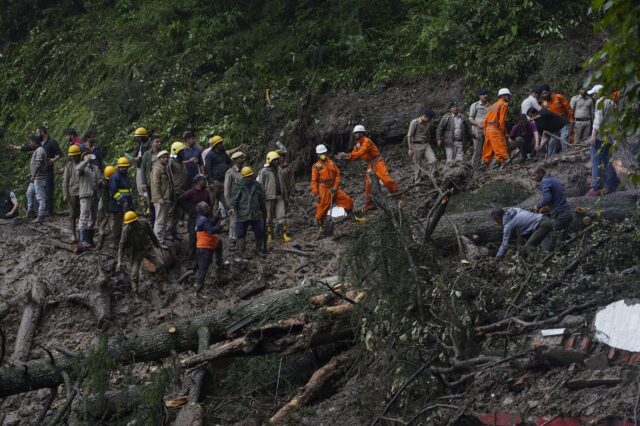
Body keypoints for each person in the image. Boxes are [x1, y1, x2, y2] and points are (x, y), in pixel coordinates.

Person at [337, 125, 398, 211]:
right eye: (354, 133)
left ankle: (398, 197)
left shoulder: (367, 141)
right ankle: (369, 205)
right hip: (370, 165)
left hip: (378, 162)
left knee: (386, 180)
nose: (355, 135)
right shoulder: (358, 144)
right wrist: (345, 156)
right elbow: (354, 155)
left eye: (356, 133)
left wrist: (347, 155)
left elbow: (361, 152)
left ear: (361, 133)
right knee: (368, 186)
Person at [311, 144, 360, 236]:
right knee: (322, 207)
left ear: (326, 153)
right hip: (323, 188)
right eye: (321, 153)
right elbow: (314, 181)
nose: (323, 155)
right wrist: (316, 193)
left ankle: (351, 216)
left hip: (334, 188)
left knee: (347, 200)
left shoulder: (331, 163)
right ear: (318, 155)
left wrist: (336, 186)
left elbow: (337, 174)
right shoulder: (316, 166)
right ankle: (320, 226)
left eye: (324, 153)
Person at [116, 211, 168, 295]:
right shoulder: (126, 230)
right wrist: (119, 261)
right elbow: (121, 247)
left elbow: (152, 235)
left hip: (147, 249)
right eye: (129, 223)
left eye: (132, 222)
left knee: (161, 265)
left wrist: (159, 245)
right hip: (135, 253)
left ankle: (160, 287)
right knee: (134, 274)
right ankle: (135, 292)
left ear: (136, 220)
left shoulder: (144, 223)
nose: (131, 224)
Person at [585, 85, 620, 196]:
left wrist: (593, 135)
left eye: (594, 93)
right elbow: (616, 121)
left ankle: (595, 187)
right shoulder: (612, 102)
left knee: (596, 161)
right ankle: (609, 186)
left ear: (598, 93)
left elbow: (598, 120)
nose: (593, 96)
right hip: (610, 138)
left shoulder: (600, 102)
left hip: (600, 137)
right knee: (608, 161)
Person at [232, 166, 267, 257]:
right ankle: (242, 252)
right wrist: (232, 208)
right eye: (246, 177)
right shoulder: (238, 186)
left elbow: (261, 199)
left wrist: (264, 210)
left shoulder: (257, 185)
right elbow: (234, 199)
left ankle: (258, 250)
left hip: (255, 213)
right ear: (243, 177)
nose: (248, 178)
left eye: (250, 176)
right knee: (241, 233)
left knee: (260, 231)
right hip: (242, 213)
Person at [257, 151, 291, 243]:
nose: (276, 161)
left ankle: (283, 234)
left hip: (279, 196)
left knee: (282, 215)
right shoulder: (263, 172)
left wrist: (286, 196)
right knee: (269, 217)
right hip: (268, 198)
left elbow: (283, 183)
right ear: (270, 160)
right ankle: (270, 235)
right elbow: (260, 186)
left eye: (277, 160)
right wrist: (261, 199)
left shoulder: (279, 169)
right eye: (274, 160)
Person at [178, 174, 211, 261]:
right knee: (193, 239)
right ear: (198, 182)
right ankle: (191, 259)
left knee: (204, 238)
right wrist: (188, 209)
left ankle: (203, 258)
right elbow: (180, 199)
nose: (205, 182)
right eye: (204, 180)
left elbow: (209, 204)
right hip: (193, 219)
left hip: (204, 220)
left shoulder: (206, 192)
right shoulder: (191, 192)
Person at [194, 201, 224, 294]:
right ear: (201, 210)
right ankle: (198, 291)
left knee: (219, 242)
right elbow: (211, 230)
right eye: (206, 208)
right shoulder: (203, 220)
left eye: (208, 207)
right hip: (205, 247)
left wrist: (216, 217)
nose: (209, 209)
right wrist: (220, 225)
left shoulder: (202, 218)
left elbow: (210, 223)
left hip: (210, 243)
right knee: (203, 269)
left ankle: (219, 264)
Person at [532, 166, 572, 233]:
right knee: (561, 237)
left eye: (534, 175)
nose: (533, 178)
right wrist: (547, 207)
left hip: (561, 215)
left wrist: (538, 206)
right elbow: (556, 197)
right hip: (567, 212)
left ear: (540, 174)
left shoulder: (544, 181)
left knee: (544, 231)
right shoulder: (553, 179)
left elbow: (547, 198)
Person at [539, 84, 574, 154]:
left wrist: (571, 119)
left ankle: (567, 156)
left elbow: (568, 108)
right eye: (543, 94)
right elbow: (544, 116)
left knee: (564, 141)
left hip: (563, 123)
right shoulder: (543, 103)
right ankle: (549, 160)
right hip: (554, 126)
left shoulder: (558, 97)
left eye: (546, 93)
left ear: (549, 92)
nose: (544, 95)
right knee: (552, 143)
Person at [76, 151, 101, 248]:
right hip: (85, 194)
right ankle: (82, 240)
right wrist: (86, 161)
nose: (89, 156)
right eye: (86, 155)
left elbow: (99, 179)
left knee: (93, 218)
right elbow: (77, 168)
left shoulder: (95, 168)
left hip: (95, 195)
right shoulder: (82, 167)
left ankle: (89, 240)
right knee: (84, 216)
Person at [109, 157, 135, 249]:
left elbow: (128, 191)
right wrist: (123, 201)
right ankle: (114, 242)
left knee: (127, 224)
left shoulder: (126, 177)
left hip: (127, 205)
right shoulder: (115, 177)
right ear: (119, 167)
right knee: (118, 224)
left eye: (126, 167)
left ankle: (125, 241)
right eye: (122, 167)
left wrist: (131, 204)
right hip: (118, 205)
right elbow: (114, 192)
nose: (124, 168)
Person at [482, 88, 511, 168]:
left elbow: (485, 119)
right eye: (507, 95)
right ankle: (499, 163)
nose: (508, 97)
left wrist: (484, 129)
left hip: (488, 129)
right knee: (500, 148)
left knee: (488, 148)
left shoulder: (492, 106)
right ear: (502, 96)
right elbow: (502, 121)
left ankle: (484, 164)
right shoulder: (503, 105)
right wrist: (503, 132)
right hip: (495, 129)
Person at [437, 101, 472, 166]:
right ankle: (449, 175)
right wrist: (438, 138)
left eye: (456, 106)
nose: (455, 108)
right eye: (453, 107)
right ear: (450, 109)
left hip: (460, 142)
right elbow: (440, 128)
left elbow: (468, 128)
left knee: (460, 162)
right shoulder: (446, 117)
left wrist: (473, 136)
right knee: (450, 162)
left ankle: (458, 175)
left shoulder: (462, 117)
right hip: (450, 142)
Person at [205, 135, 232, 217]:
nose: (222, 145)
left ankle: (227, 221)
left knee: (226, 202)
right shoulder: (210, 155)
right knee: (212, 203)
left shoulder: (223, 153)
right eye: (220, 143)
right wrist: (210, 182)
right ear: (215, 145)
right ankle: (209, 221)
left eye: (221, 143)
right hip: (214, 182)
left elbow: (229, 162)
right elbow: (207, 169)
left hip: (224, 181)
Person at [407, 109, 437, 181]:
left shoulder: (427, 123)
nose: (430, 120)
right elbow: (409, 136)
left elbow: (427, 135)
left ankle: (433, 179)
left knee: (433, 160)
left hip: (426, 144)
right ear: (425, 116)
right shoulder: (415, 122)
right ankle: (417, 184)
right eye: (429, 118)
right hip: (417, 145)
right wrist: (410, 149)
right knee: (418, 166)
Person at [224, 151, 245, 251]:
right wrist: (229, 204)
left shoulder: (244, 171)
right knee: (233, 222)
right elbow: (227, 189)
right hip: (234, 201)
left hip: (244, 201)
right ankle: (232, 242)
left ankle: (241, 240)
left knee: (243, 221)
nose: (243, 159)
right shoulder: (230, 173)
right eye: (241, 158)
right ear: (236, 160)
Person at [150, 150, 172, 243]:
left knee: (165, 219)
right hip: (160, 199)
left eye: (166, 157)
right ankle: (158, 239)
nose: (166, 159)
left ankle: (163, 237)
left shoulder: (165, 168)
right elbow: (156, 184)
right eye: (163, 157)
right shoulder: (157, 169)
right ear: (159, 159)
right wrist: (159, 197)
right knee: (160, 220)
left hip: (166, 197)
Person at [25, 135, 48, 222]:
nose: (30, 144)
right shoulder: (37, 150)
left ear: (35, 142)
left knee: (40, 197)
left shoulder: (40, 150)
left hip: (39, 178)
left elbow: (38, 164)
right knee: (29, 193)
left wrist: (33, 175)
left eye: (31, 142)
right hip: (35, 177)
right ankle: (31, 211)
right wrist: (30, 174)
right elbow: (36, 165)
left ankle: (41, 215)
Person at [63, 145, 82, 242]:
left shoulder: (83, 164)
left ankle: (81, 234)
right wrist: (65, 195)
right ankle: (73, 234)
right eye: (72, 156)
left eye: (75, 155)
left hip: (83, 193)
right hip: (72, 193)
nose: (74, 157)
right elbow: (65, 182)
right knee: (72, 215)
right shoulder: (69, 166)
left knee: (82, 214)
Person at [168, 141, 187, 240]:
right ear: (176, 152)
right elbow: (168, 176)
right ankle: (168, 233)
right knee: (171, 213)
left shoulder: (180, 161)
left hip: (181, 191)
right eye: (181, 151)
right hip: (174, 191)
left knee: (178, 213)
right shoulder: (171, 161)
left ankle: (174, 232)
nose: (183, 153)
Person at [140, 137, 161, 226]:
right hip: (150, 183)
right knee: (152, 203)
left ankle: (159, 222)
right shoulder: (147, 155)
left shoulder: (162, 154)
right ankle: (152, 222)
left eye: (159, 142)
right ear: (152, 143)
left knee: (160, 203)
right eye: (157, 141)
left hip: (160, 183)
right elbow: (143, 168)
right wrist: (143, 182)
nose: (159, 143)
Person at [469, 89, 490, 170]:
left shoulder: (489, 106)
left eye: (486, 94)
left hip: (487, 131)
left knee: (485, 149)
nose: (485, 95)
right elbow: (470, 119)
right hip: (477, 131)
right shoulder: (475, 105)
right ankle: (474, 168)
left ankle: (482, 166)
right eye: (483, 94)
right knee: (477, 149)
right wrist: (478, 124)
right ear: (479, 96)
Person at [96, 165, 116, 250]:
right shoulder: (102, 182)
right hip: (103, 200)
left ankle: (107, 230)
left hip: (109, 200)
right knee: (101, 212)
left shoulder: (113, 180)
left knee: (108, 216)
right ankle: (101, 229)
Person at [133, 127, 150, 197]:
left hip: (146, 168)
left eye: (138, 137)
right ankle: (143, 201)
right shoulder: (138, 144)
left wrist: (139, 159)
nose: (137, 138)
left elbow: (149, 156)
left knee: (145, 186)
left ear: (143, 136)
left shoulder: (149, 144)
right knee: (139, 186)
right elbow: (135, 153)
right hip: (139, 167)